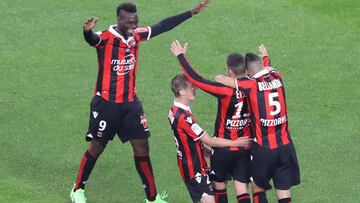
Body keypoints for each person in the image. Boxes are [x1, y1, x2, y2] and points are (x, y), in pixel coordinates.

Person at [70, 1, 211, 203]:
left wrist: (191, 12)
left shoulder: (137, 35)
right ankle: (77, 190)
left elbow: (163, 26)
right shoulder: (106, 38)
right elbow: (91, 40)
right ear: (119, 20)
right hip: (106, 105)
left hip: (130, 104)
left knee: (142, 148)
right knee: (97, 147)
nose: (133, 25)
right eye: (129, 22)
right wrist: (86, 31)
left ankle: (152, 199)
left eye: (136, 21)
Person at [170, 40, 270, 203]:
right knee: (242, 189)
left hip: (221, 148)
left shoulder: (222, 89)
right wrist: (265, 58)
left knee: (219, 187)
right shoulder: (255, 87)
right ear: (245, 70)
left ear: (230, 71)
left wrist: (181, 56)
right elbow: (266, 75)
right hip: (244, 145)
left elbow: (196, 79)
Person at [215, 45, 300, 203]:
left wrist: (220, 77)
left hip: (264, 148)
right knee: (283, 190)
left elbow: (223, 80)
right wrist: (266, 56)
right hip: (286, 146)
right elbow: (268, 67)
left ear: (247, 73)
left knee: (258, 187)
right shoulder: (277, 75)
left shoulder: (251, 84)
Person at [168, 74, 252, 203]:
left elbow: (187, 138)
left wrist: (202, 150)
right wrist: (235, 142)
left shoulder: (175, 109)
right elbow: (210, 140)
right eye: (192, 87)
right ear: (181, 91)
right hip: (193, 169)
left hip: (196, 163)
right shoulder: (183, 117)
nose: (196, 89)